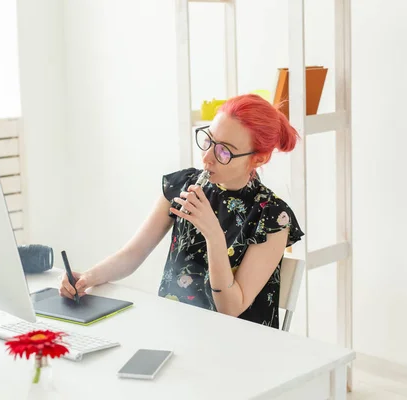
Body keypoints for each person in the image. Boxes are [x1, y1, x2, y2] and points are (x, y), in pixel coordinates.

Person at [59, 94, 304, 328]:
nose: (207, 158)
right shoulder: (185, 185)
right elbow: (132, 255)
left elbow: (231, 308)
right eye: (208, 140)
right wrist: (87, 278)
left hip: (239, 347)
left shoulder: (272, 216)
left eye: (224, 152)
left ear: (258, 159)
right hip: (176, 330)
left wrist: (214, 236)